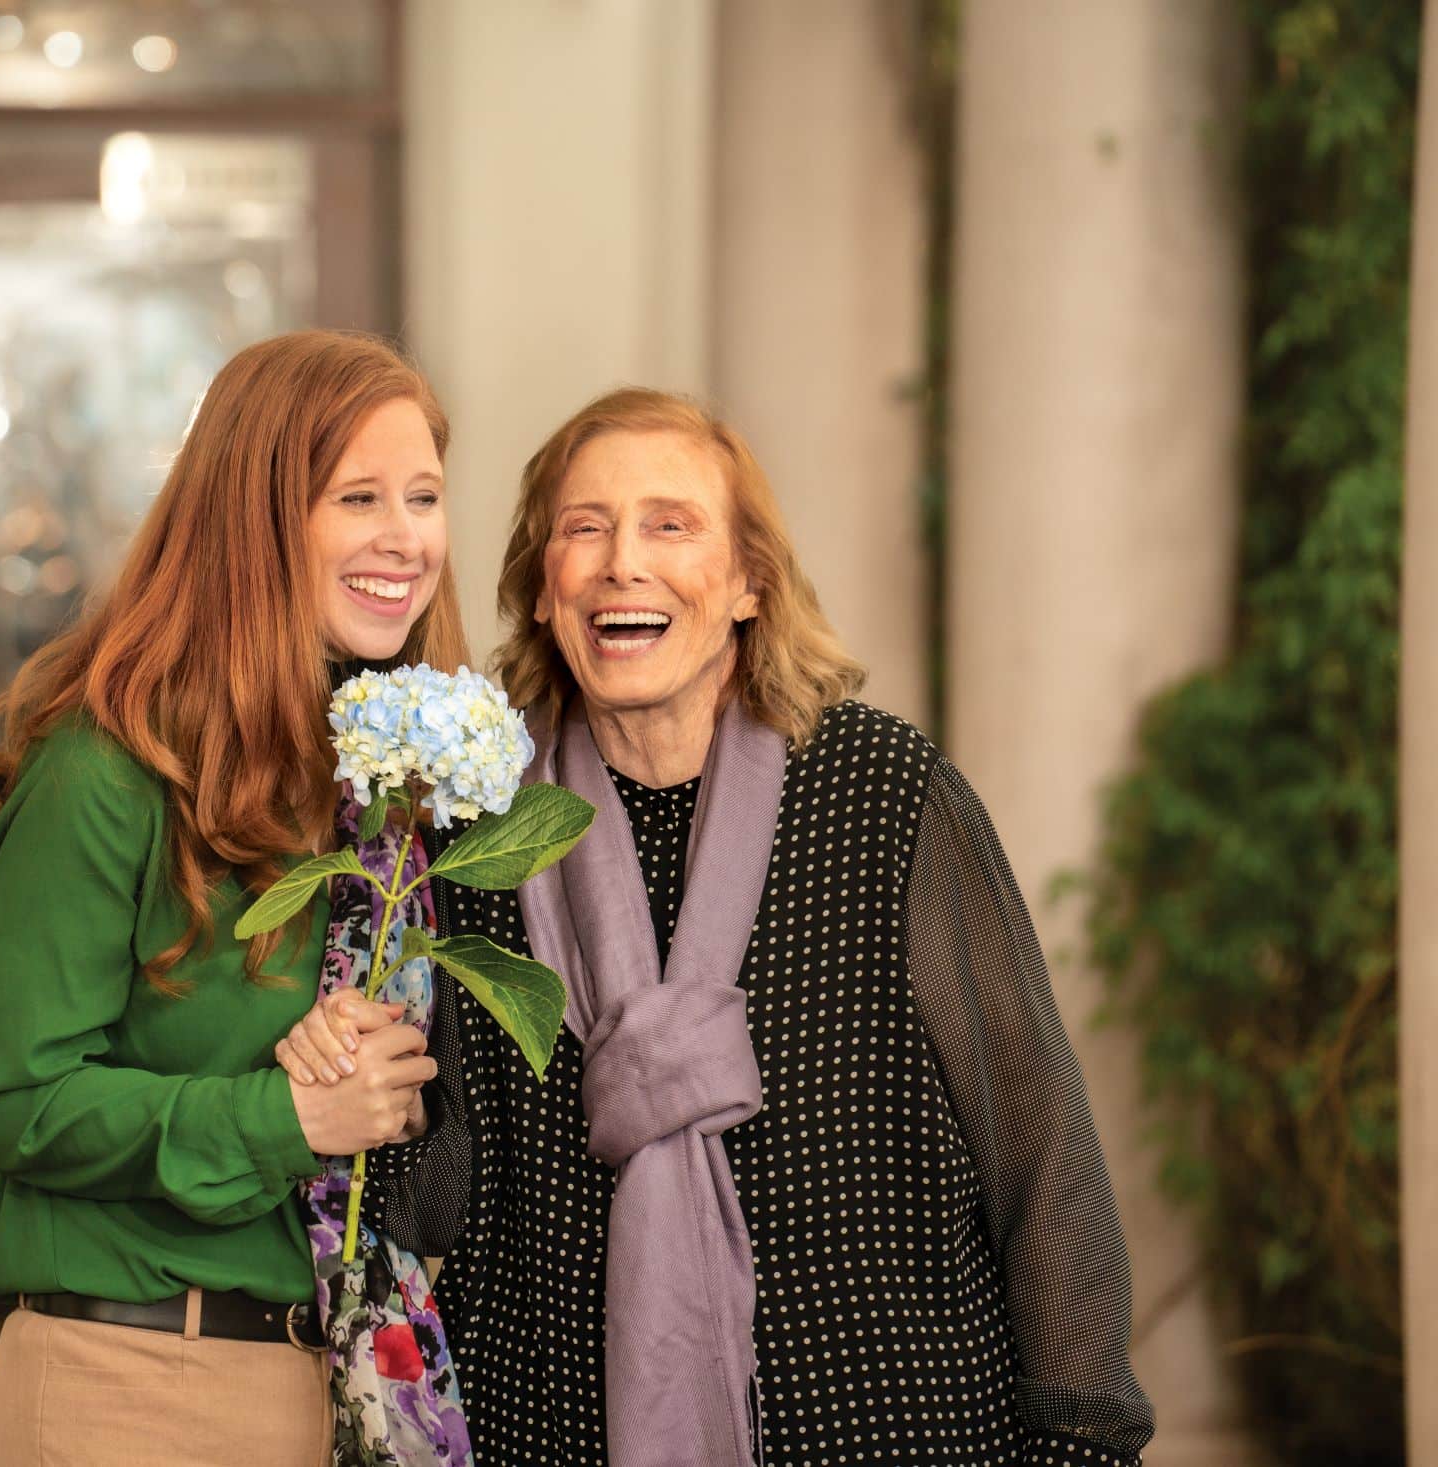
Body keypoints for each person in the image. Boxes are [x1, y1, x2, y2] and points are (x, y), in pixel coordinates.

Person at [278, 388, 1156, 1466]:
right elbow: (448, 1195)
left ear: (747, 584)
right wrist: (371, 1087)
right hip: (553, 1428)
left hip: (892, 1421)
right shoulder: (481, 832)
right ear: (543, 590)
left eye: (670, 525)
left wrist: (1080, 1437)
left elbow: (1038, 1140)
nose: (620, 564)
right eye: (583, 528)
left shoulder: (878, 792)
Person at [0, 330, 462, 1466]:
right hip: (138, 1384)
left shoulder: (391, 773)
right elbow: (21, 1102)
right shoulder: (106, 767)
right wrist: (282, 1120)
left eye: (424, 496)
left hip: (352, 1385)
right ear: (257, 518)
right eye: (359, 497)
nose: (405, 537)